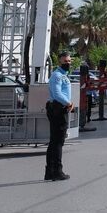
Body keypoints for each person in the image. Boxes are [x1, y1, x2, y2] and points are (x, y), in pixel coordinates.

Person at [45, 52, 74, 181]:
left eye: (69, 61)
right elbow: (57, 94)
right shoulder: (57, 75)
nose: (68, 63)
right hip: (58, 109)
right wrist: (68, 103)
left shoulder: (63, 75)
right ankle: (57, 171)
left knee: (54, 142)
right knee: (57, 142)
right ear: (59, 62)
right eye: (65, 61)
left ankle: (50, 171)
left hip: (59, 109)